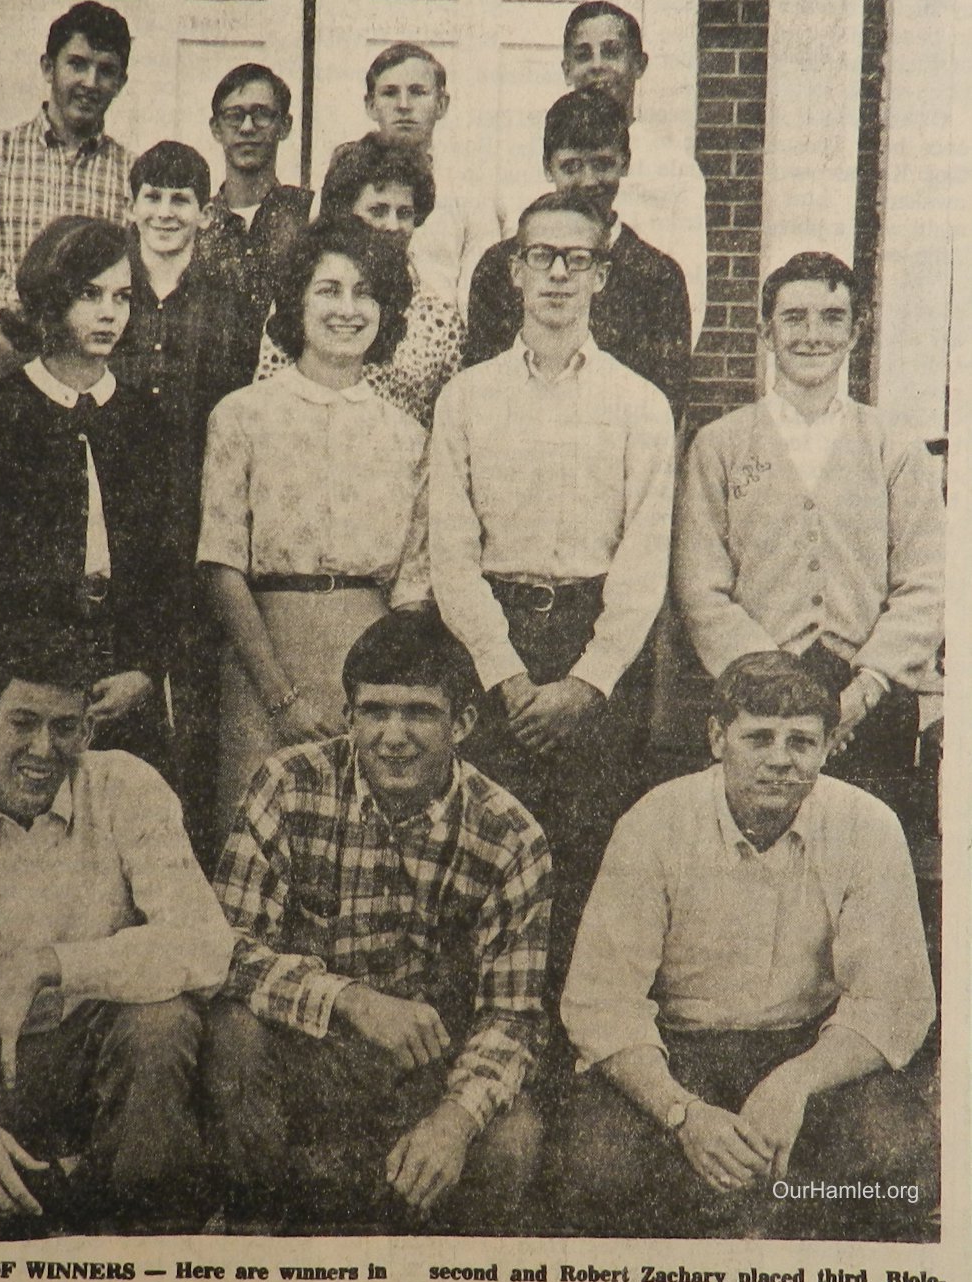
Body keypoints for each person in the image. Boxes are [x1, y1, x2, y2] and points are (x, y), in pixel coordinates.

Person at [554, 651, 937, 1240]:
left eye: (802, 742)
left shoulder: (868, 826)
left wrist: (795, 1083)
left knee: (902, 1158)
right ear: (717, 737)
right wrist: (682, 1115)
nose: (780, 760)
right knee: (596, 1171)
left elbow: (892, 1001)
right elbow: (601, 1001)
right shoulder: (655, 822)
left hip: (808, 1048)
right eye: (759, 737)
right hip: (678, 1050)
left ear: (830, 745)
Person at [202, 614, 551, 1233]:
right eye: (374, 711)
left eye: (419, 712)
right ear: (349, 717)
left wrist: (454, 1119)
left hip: (428, 1073)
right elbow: (221, 950)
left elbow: (513, 1014)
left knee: (513, 1136)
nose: (394, 736)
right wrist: (350, 1000)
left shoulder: (511, 835)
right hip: (309, 1052)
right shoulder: (288, 783)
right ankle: (255, 1238)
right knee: (233, 1033)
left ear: (463, 723)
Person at [0, 632, 235, 1236]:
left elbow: (205, 943)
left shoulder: (128, 786)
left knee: (163, 1020)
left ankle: (141, 1230)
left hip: (113, 1058)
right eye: (23, 723)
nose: (44, 750)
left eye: (66, 728)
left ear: (88, 733)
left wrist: (43, 967)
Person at [429, 188, 675, 993]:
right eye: (542, 256)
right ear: (513, 270)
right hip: (491, 648)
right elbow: (451, 554)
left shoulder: (639, 405)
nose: (559, 275)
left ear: (602, 275)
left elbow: (642, 563)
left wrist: (586, 682)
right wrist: (504, 675)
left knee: (586, 855)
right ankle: (483, 1041)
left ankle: (572, 1047)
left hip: (592, 652)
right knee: (479, 852)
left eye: (578, 259)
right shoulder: (466, 397)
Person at [675, 252, 945, 813]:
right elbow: (700, 588)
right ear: (765, 332)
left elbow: (928, 582)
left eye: (831, 318)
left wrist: (865, 689)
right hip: (755, 699)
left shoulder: (892, 445)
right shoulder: (720, 446)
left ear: (853, 332)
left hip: (869, 696)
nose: (813, 335)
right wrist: (771, 685)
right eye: (794, 317)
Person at [198, 216, 430, 828]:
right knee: (259, 839)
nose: (348, 309)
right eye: (329, 290)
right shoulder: (241, 416)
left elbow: (413, 591)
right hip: (264, 666)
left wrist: (383, 700)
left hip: (369, 668)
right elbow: (221, 565)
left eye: (365, 292)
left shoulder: (408, 437)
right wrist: (281, 696)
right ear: (296, 302)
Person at [0, 216, 173, 772]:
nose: (109, 313)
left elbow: (168, 562)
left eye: (122, 297)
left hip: (124, 681)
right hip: (30, 678)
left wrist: (145, 669)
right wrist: (39, 683)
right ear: (53, 299)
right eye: (89, 294)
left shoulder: (145, 418)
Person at [110, 141, 250, 868]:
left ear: (204, 212)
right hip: (117, 529)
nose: (166, 212)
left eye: (181, 199)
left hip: (196, 529)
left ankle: (191, 873)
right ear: (131, 205)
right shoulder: (106, 289)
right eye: (153, 196)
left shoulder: (228, 306)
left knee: (195, 710)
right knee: (121, 704)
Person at [0, 0, 133, 391]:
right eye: (77, 64)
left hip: (91, 374)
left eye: (106, 71)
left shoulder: (131, 174)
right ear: (48, 68)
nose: (90, 82)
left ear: (120, 82)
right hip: (10, 362)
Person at [466, 89, 691, 423]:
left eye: (603, 164)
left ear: (625, 163)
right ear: (548, 167)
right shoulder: (500, 266)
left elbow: (666, 404)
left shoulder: (659, 276)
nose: (588, 181)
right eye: (571, 166)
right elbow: (482, 386)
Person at [502, 0, 707, 345]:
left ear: (638, 64)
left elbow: (687, 298)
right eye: (583, 55)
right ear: (566, 69)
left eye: (611, 52)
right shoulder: (528, 160)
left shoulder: (676, 170)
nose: (597, 66)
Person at [255, 132, 465, 427]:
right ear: (345, 211)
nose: (393, 226)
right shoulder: (308, 301)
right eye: (378, 210)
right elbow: (267, 402)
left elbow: (446, 431)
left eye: (404, 213)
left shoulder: (441, 320)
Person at [337, 42, 499, 315]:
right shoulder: (345, 181)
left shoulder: (471, 192)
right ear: (371, 105)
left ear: (441, 104)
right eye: (389, 93)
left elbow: (479, 291)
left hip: (442, 340)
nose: (403, 105)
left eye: (417, 92)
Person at [193, 62, 313, 375]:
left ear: (284, 126)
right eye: (234, 116)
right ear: (216, 128)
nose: (247, 128)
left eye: (262, 114)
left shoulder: (308, 213)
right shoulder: (195, 222)